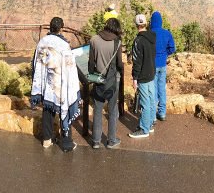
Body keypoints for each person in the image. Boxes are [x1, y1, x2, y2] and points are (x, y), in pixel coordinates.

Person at [30, 17, 80, 151]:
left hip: (47, 83)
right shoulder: (63, 45)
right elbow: (70, 67)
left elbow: (36, 63)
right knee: (65, 110)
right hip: (60, 84)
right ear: (61, 28)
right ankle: (66, 142)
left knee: (48, 109)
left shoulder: (42, 41)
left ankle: (47, 139)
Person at [88, 17, 124, 149]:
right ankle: (111, 140)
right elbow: (119, 64)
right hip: (113, 80)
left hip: (98, 78)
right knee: (113, 109)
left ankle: (96, 141)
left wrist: (92, 75)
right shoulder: (117, 42)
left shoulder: (94, 39)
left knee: (97, 109)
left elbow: (91, 62)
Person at [129, 13, 158, 138]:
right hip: (151, 73)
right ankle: (150, 123)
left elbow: (137, 61)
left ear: (136, 25)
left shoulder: (138, 41)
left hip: (143, 75)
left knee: (145, 103)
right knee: (151, 100)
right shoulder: (153, 37)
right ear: (145, 24)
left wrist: (135, 78)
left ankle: (144, 129)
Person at [151, 11, 177, 122]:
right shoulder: (167, 33)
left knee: (153, 89)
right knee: (162, 88)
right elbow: (172, 48)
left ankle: (152, 114)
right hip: (162, 64)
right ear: (161, 21)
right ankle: (162, 113)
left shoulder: (149, 33)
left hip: (152, 65)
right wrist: (165, 54)